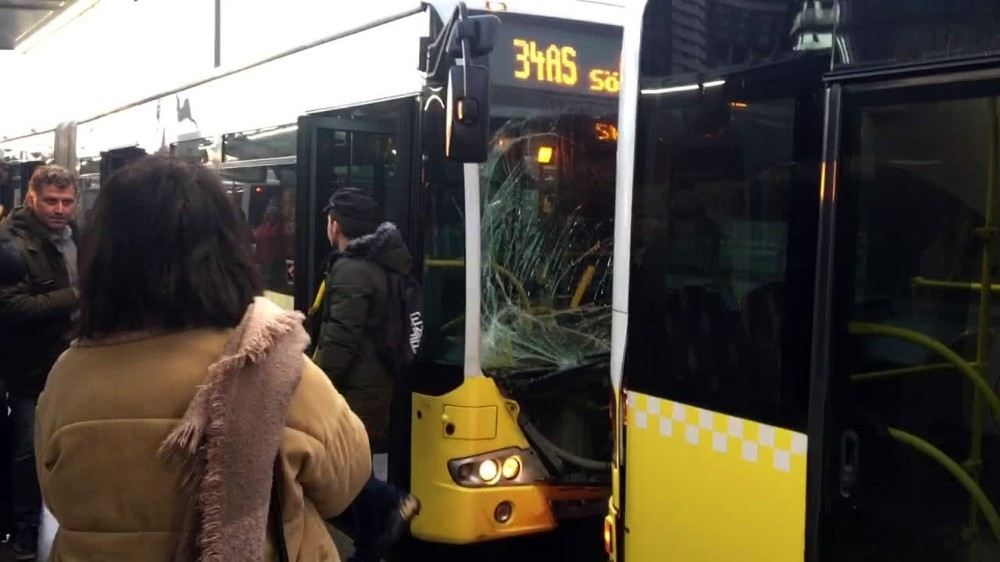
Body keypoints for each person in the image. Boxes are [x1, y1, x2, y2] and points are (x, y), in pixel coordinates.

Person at [33, 156, 371, 561]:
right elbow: (345, 485)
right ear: (228, 248)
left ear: (103, 253)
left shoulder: (67, 377)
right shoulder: (274, 367)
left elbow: (55, 497)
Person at [314, 188, 420, 562]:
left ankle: (391, 506)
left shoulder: (350, 271)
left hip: (353, 391)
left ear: (336, 225)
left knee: (333, 470)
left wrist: (312, 388)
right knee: (347, 466)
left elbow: (339, 340)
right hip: (376, 386)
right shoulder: (379, 264)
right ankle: (371, 545)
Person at [0, 165, 79, 560]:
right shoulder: (9, 244)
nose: (60, 209)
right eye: (51, 201)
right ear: (31, 197)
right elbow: (11, 307)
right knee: (28, 449)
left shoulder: (77, 238)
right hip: (30, 366)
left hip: (75, 358)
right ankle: (25, 528)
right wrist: (75, 295)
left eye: (67, 202)